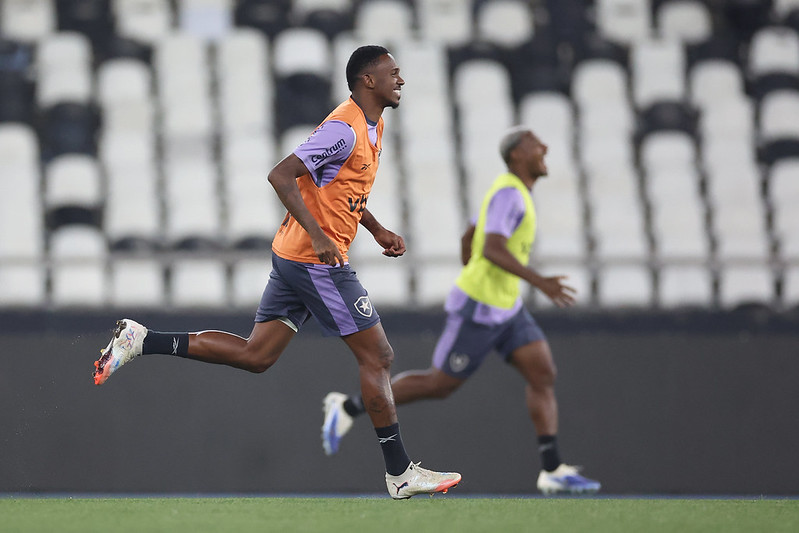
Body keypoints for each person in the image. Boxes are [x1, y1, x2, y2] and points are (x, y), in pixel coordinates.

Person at [92, 45, 461, 500]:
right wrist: (321, 236)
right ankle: (400, 473)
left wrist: (377, 228)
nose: (400, 80)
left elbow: (339, 187)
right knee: (378, 356)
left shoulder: (373, 125)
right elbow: (281, 175)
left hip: (294, 255)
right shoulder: (344, 128)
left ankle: (143, 340)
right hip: (314, 260)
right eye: (393, 73)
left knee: (256, 356)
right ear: (368, 80)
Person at [321, 126, 600, 495]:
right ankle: (349, 407)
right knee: (438, 385)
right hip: (480, 309)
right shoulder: (509, 194)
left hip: (508, 307)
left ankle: (551, 469)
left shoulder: (511, 193)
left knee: (543, 373)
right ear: (517, 154)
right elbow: (494, 249)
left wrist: (476, 266)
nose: (545, 146)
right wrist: (540, 282)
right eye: (536, 143)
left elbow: (470, 236)